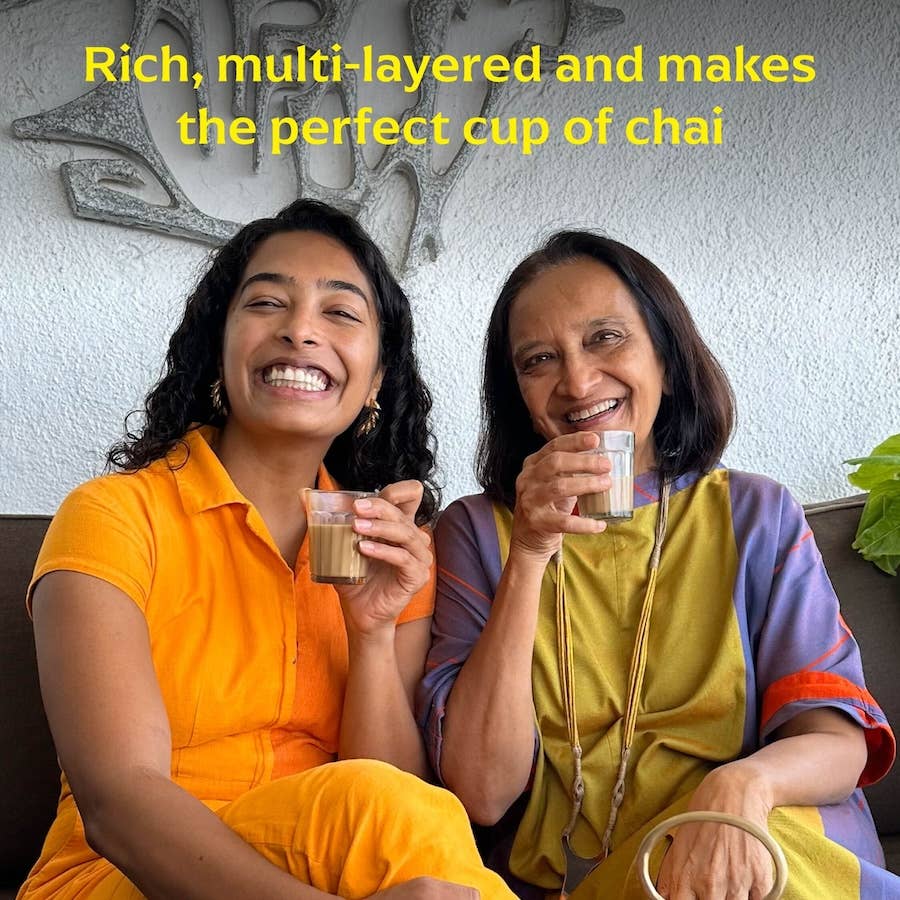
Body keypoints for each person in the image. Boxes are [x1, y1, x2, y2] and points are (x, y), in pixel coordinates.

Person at [20, 200, 513, 900]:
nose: (300, 329)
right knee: (375, 809)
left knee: (386, 806)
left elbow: (403, 811)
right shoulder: (115, 517)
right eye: (267, 303)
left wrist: (371, 633)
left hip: (333, 868)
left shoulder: (386, 550)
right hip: (122, 880)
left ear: (375, 381)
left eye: (340, 312)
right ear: (218, 351)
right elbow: (117, 804)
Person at [417, 231, 899, 899]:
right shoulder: (477, 531)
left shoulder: (754, 514)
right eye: (539, 359)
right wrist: (528, 553)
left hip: (756, 844)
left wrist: (742, 784)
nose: (577, 381)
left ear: (666, 361)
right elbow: (483, 792)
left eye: (605, 338)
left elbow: (839, 744)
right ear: (518, 394)